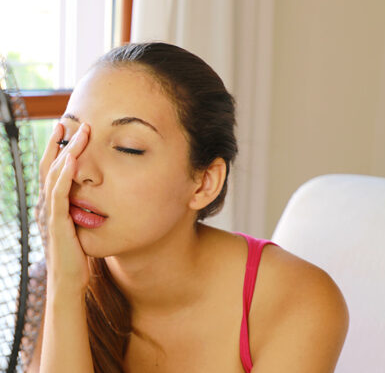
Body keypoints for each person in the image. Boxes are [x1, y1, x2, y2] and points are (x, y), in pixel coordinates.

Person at [21, 42, 349, 372]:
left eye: (127, 148)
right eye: (68, 141)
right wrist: (64, 289)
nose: (80, 170)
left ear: (204, 182)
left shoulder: (299, 301)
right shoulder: (54, 284)